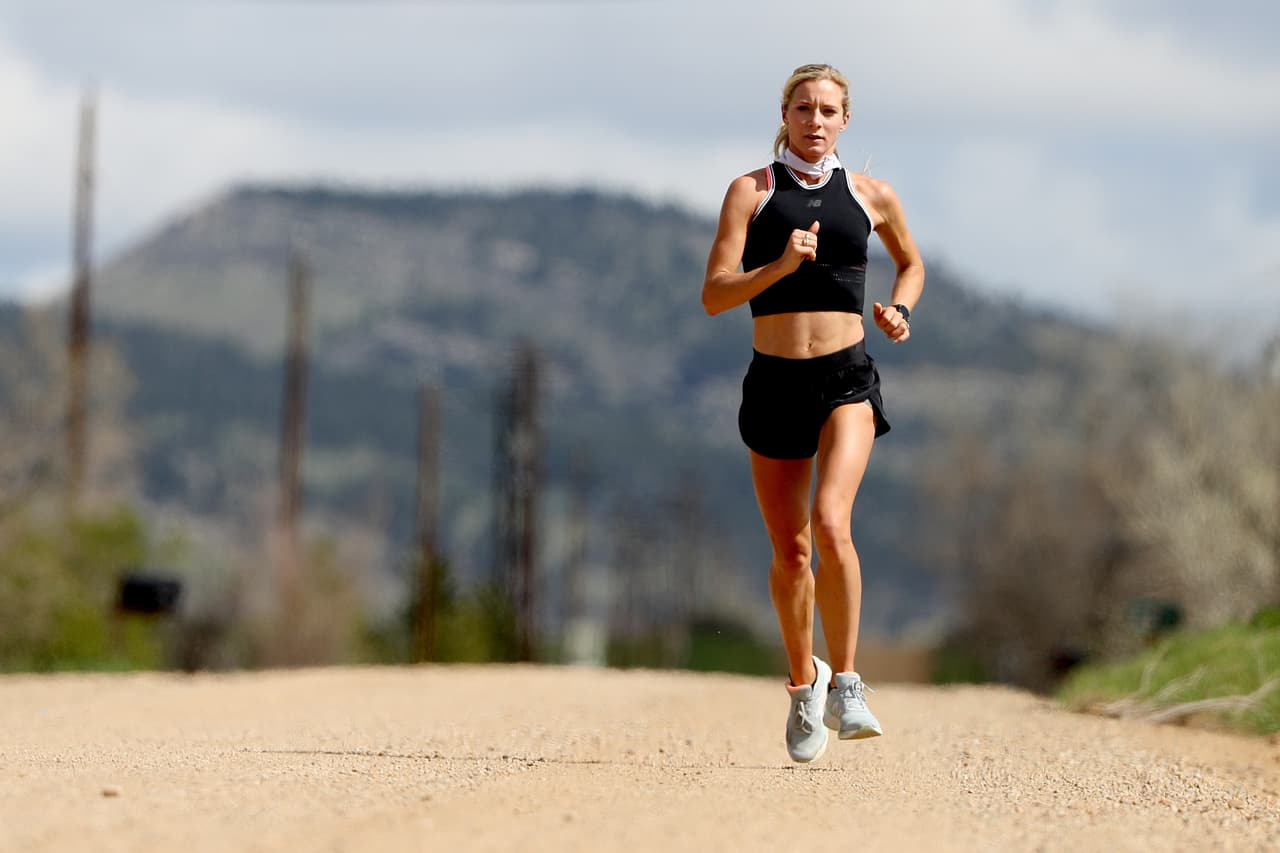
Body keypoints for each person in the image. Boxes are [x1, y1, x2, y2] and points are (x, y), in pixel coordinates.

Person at [701, 63, 924, 763]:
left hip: (845, 378)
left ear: (845, 121)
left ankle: (848, 681)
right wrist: (779, 269)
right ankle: (805, 683)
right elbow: (714, 294)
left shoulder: (870, 195)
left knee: (832, 522)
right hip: (773, 383)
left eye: (828, 109)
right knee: (791, 550)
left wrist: (900, 311)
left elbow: (911, 264)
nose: (816, 120)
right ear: (786, 114)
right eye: (804, 108)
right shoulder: (752, 192)